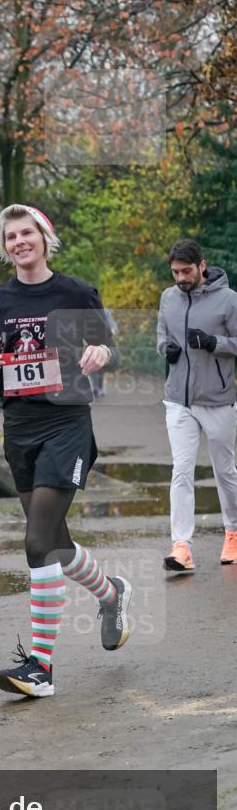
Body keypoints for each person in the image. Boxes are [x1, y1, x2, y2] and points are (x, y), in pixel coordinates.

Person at [0, 204, 130, 698]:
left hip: (67, 423)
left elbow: (112, 350)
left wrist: (102, 353)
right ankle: (111, 593)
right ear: (5, 247)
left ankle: (40, 667)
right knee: (55, 543)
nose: (19, 242)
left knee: (37, 541)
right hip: (19, 428)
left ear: (44, 237)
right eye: (11, 236)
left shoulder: (75, 292)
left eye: (27, 233)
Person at [156, 238, 237, 570]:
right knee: (181, 471)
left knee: (225, 471)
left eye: (186, 271)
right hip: (178, 399)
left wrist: (213, 342)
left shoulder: (229, 300)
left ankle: (233, 531)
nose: (180, 278)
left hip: (217, 399)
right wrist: (166, 350)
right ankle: (181, 547)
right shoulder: (168, 298)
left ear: (201, 265)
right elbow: (161, 336)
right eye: (175, 272)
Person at [90, 307, 118, 398]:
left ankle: (100, 387)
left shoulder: (105, 312)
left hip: (104, 343)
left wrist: (113, 330)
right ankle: (95, 388)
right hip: (91, 342)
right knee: (92, 365)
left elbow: (112, 324)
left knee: (101, 366)